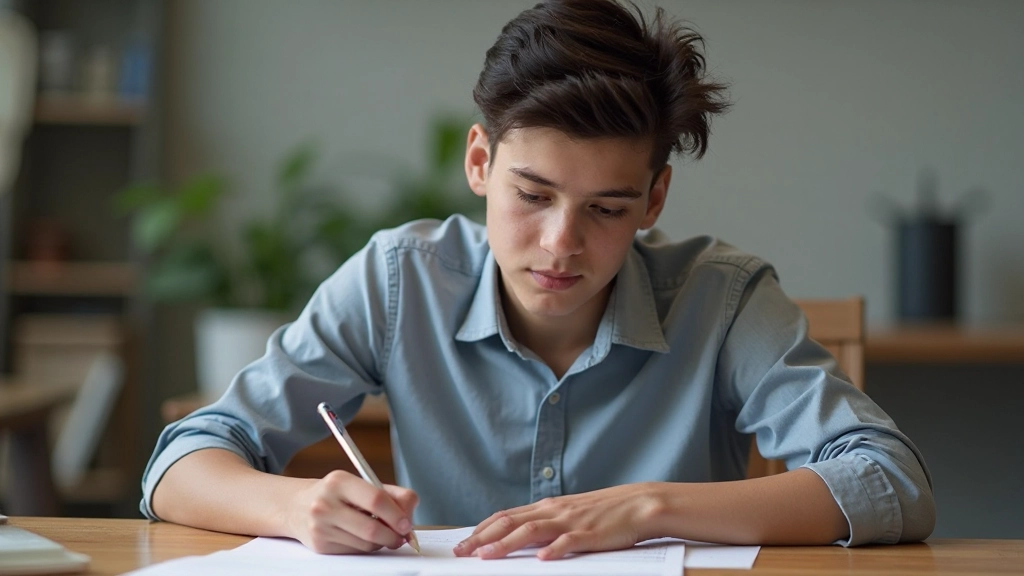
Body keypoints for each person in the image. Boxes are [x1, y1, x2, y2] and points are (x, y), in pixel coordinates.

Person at [142, 0, 935, 560]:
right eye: (533, 195)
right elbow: (181, 464)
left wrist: (649, 509)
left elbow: (891, 479)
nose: (562, 244)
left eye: (607, 208)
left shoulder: (721, 300)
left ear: (654, 199)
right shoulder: (398, 281)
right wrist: (296, 505)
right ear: (481, 162)